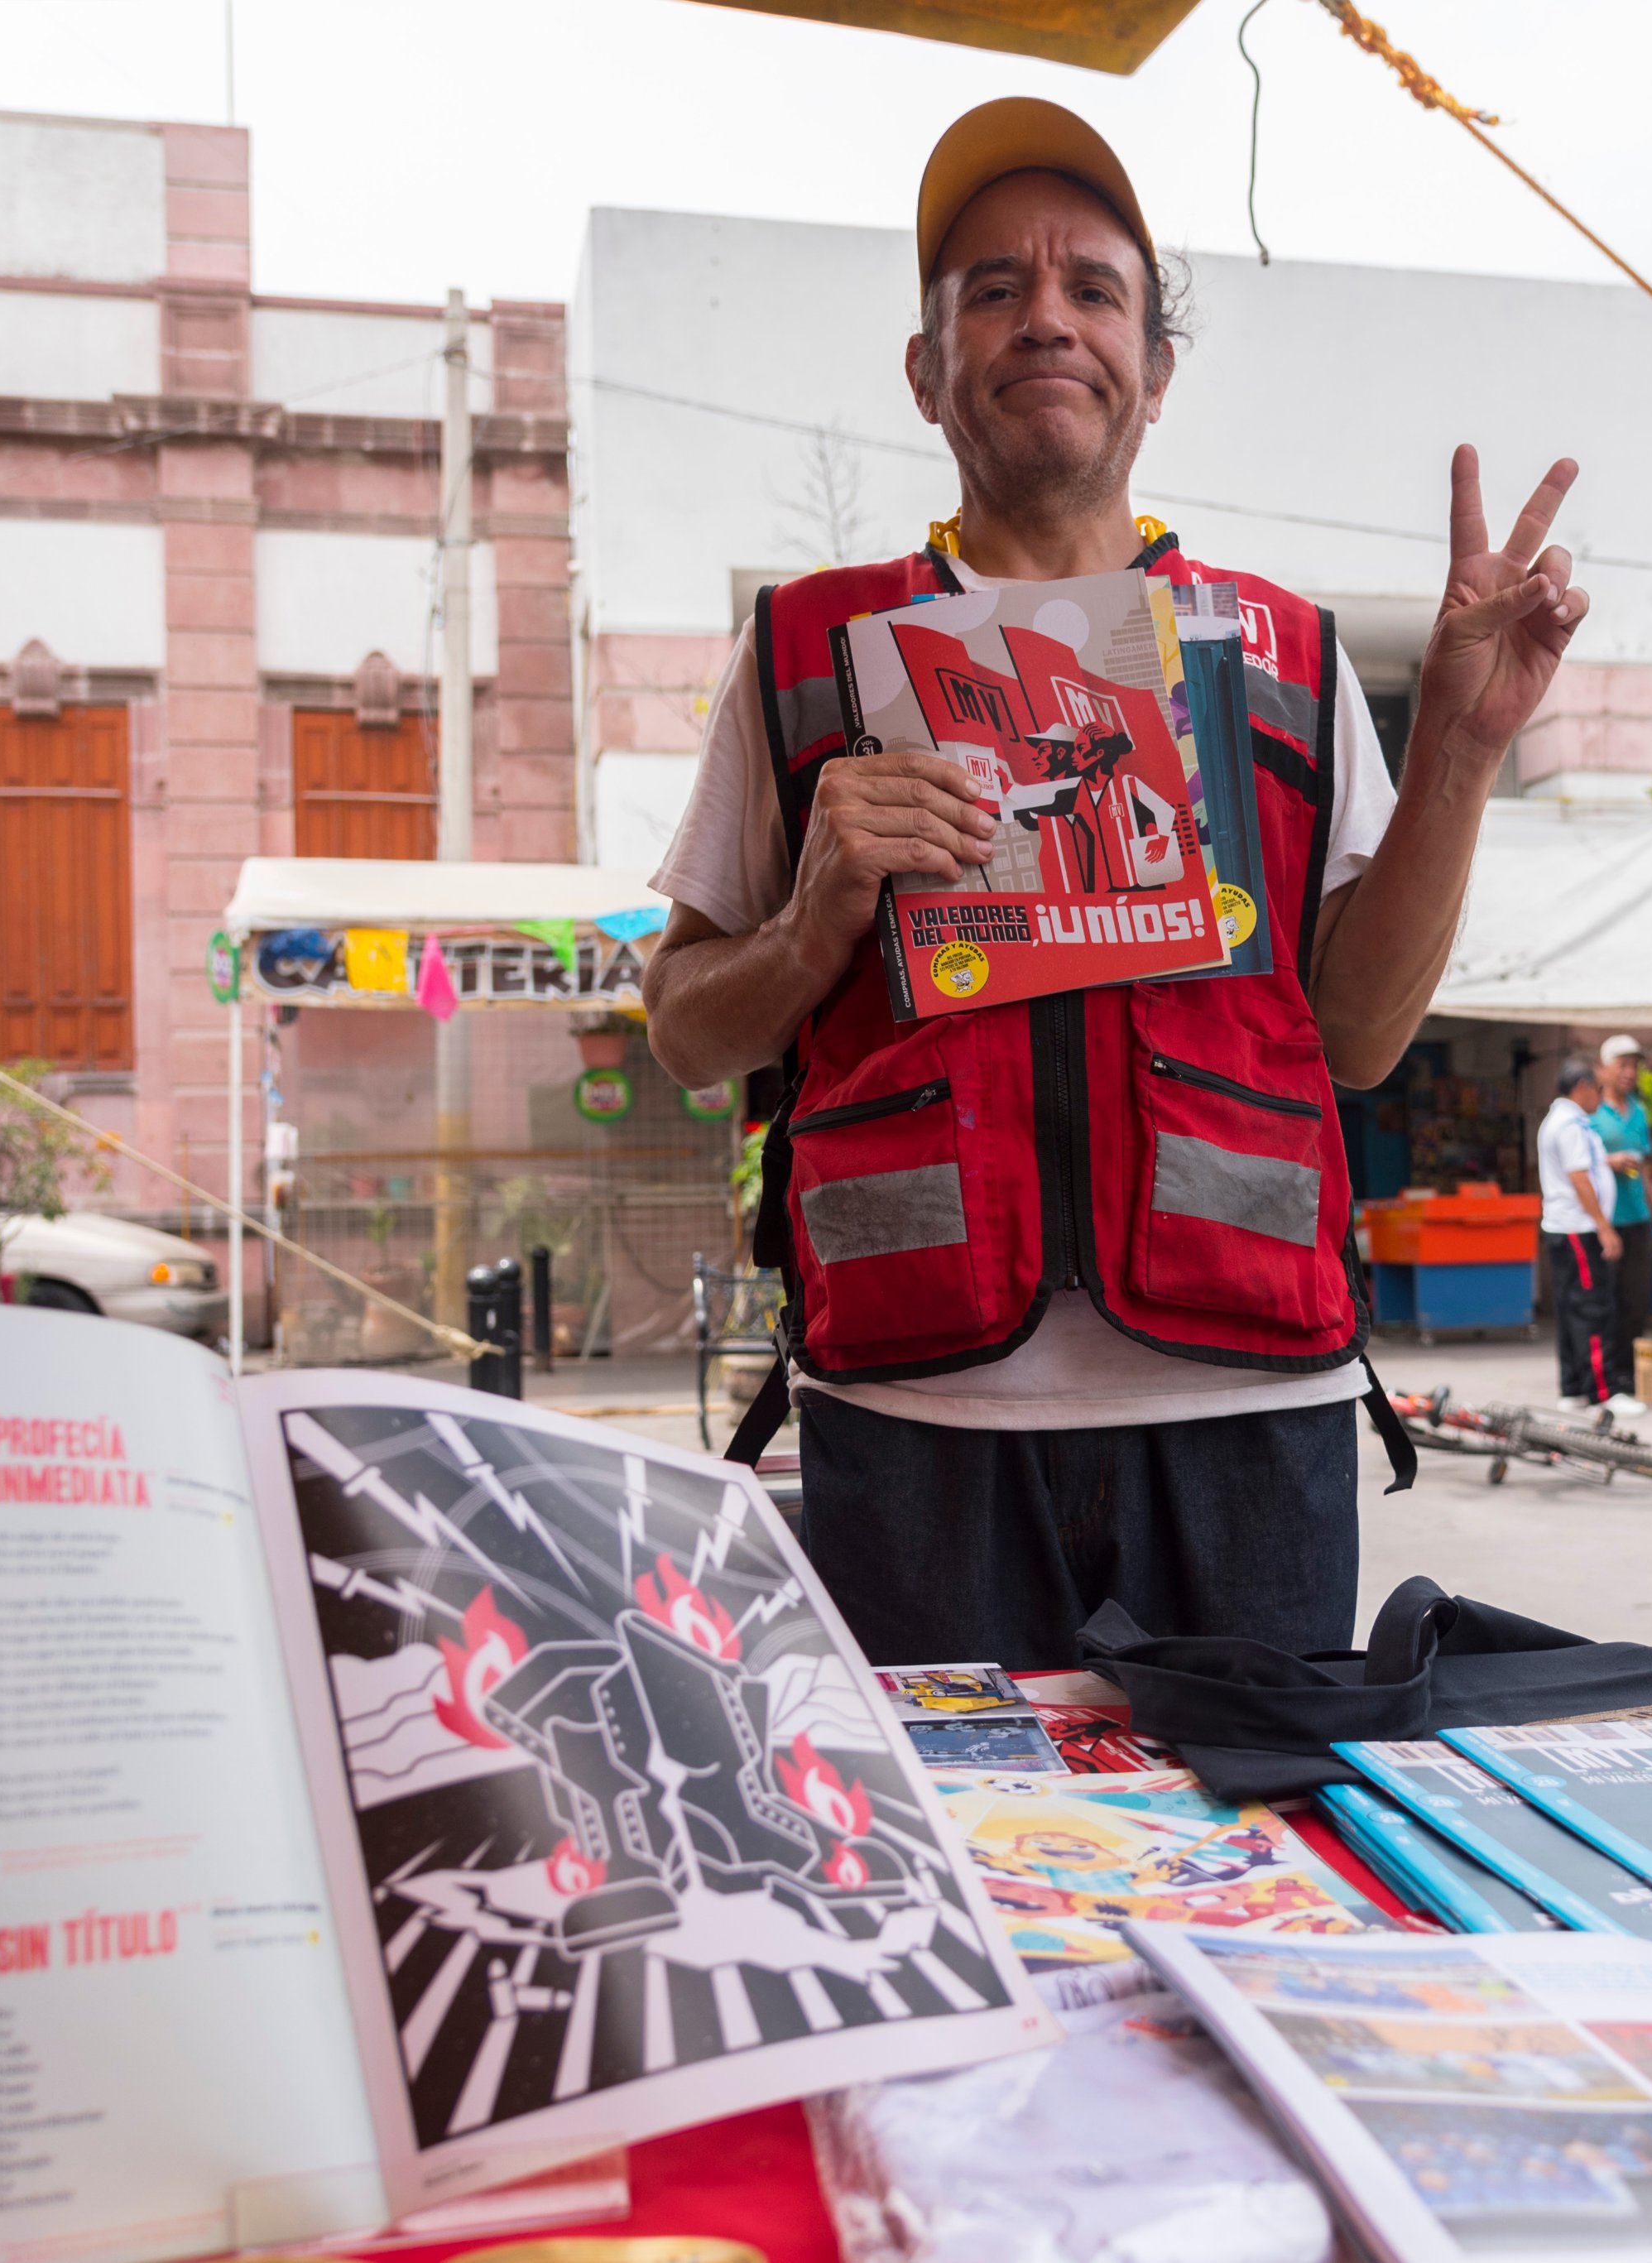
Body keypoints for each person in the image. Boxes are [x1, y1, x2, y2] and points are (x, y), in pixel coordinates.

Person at [638, 98, 1590, 1666]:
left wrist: (1466, 749)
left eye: (1094, 287)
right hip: (910, 1416)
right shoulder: (803, 651)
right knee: (952, 1876)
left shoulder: (1280, 651)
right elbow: (682, 1026)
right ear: (925, 365)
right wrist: (815, 918)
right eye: (991, 289)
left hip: (1249, 1415)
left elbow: (1354, 1035)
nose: (1045, 319)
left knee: (1268, 1885)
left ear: (1154, 368)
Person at [1536, 1058, 1625, 1413]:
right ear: (1583, 1087)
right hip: (1578, 1227)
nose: (1601, 1097)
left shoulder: (1559, 1120)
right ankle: (1601, 1392)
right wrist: (1604, 1227)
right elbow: (1579, 1178)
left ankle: (1573, 1387)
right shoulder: (1570, 1123)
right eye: (1599, 1089)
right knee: (1592, 1309)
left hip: (1566, 1226)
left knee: (1573, 1309)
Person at [1589, 1035, 1652, 1395]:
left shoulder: (1639, 1111)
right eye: (1623, 1065)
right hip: (1604, 1222)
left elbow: (1646, 1169)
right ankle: (1607, 1375)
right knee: (1607, 1300)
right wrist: (1609, 1162)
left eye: (1635, 1065)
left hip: (1637, 1219)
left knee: (1637, 1299)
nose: (1630, 1073)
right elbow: (1577, 1165)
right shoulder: (1591, 1113)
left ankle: (1630, 1373)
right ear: (1602, 1069)